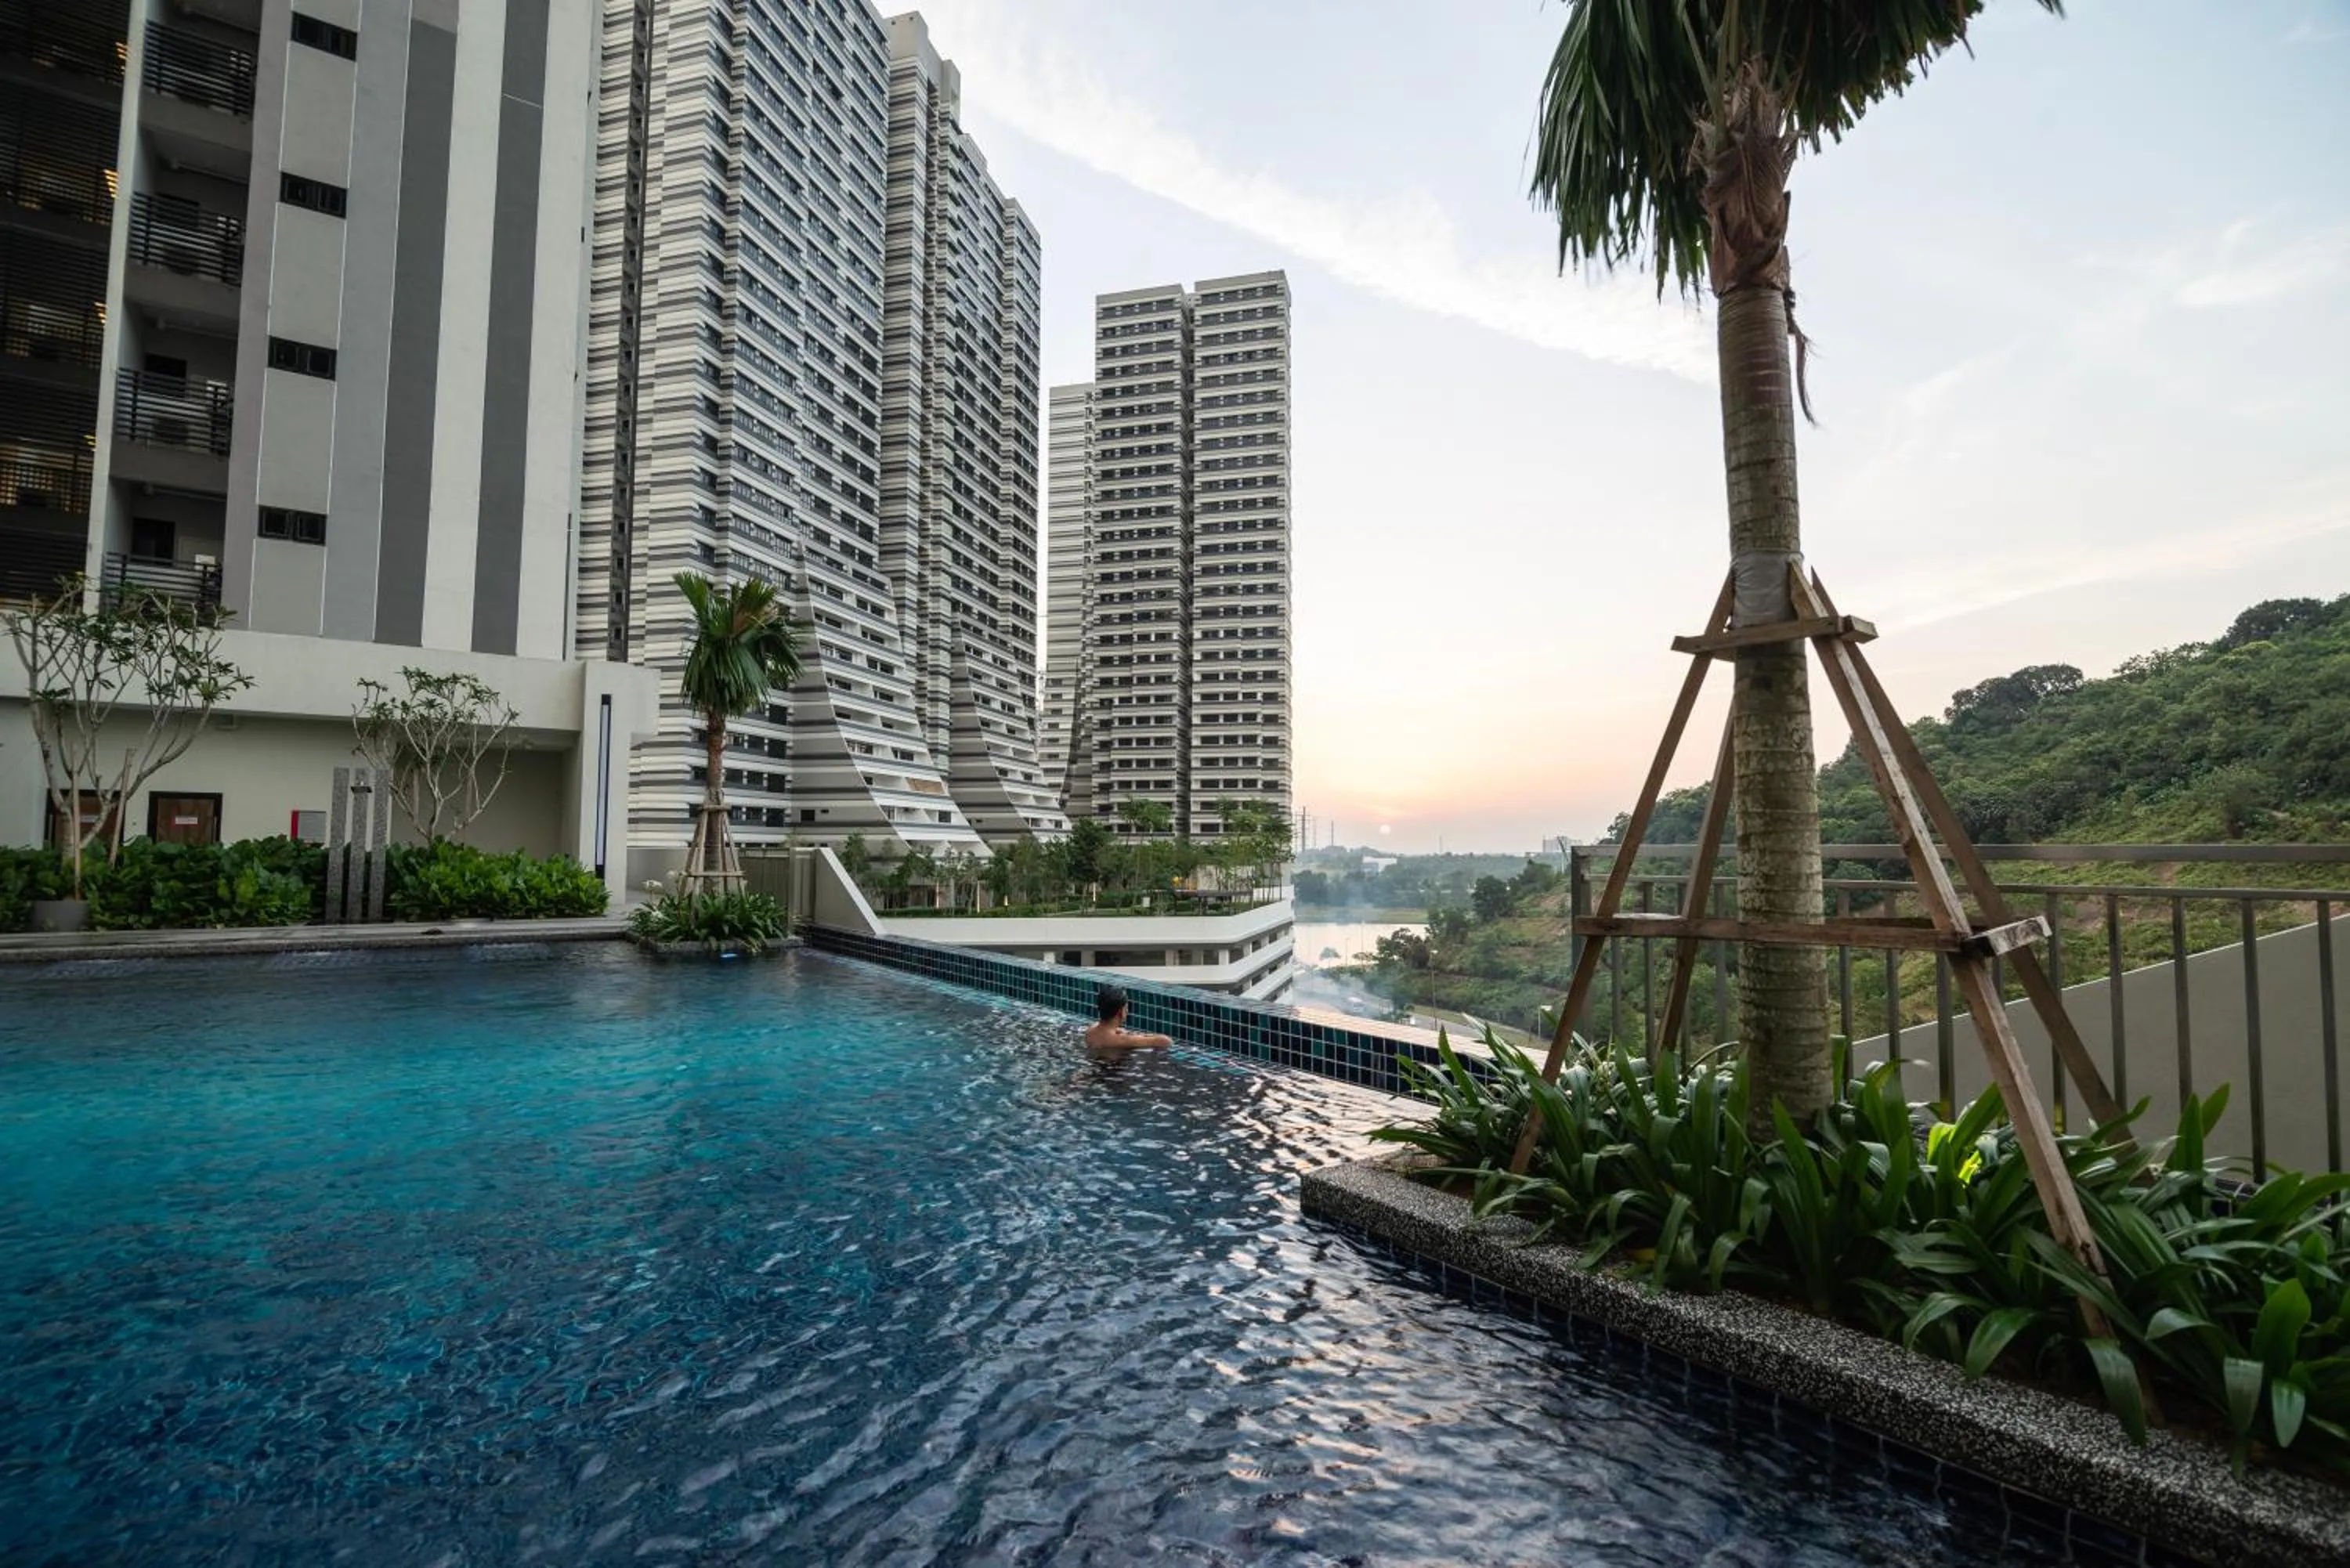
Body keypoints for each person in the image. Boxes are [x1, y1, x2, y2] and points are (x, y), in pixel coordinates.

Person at [1083, 984, 1172, 1056]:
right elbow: (1165, 1041)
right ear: (1121, 1012)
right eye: (1126, 1008)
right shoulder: (1122, 1040)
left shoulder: (1091, 1030)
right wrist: (1142, 1036)